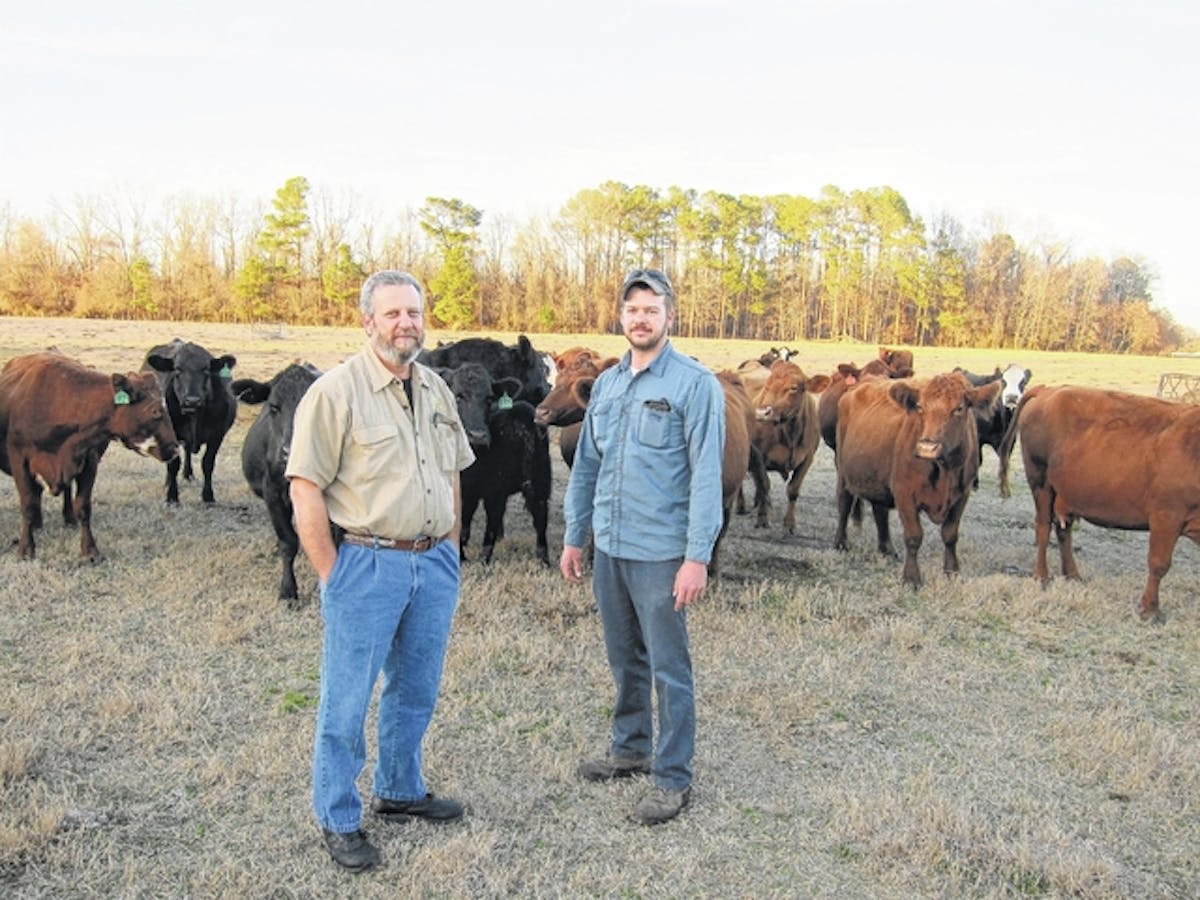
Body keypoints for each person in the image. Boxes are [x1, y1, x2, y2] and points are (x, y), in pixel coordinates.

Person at [287, 270, 475, 872]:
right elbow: (305, 486)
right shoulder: (336, 393)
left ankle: (399, 790)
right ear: (368, 321)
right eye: (392, 314)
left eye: (414, 313)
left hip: (432, 564)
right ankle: (339, 817)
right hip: (366, 563)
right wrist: (331, 572)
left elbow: (452, 472)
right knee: (346, 699)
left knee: (416, 689)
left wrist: (450, 546)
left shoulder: (438, 390)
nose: (405, 324)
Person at [560, 268, 726, 826]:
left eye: (651, 308)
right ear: (621, 317)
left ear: (669, 317)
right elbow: (587, 465)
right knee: (622, 655)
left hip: (661, 553)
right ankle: (630, 746)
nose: (641, 317)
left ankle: (673, 775)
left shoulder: (693, 385)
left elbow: (706, 475)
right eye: (632, 309)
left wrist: (697, 556)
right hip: (610, 547)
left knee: (668, 666)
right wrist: (574, 535)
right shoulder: (607, 386)